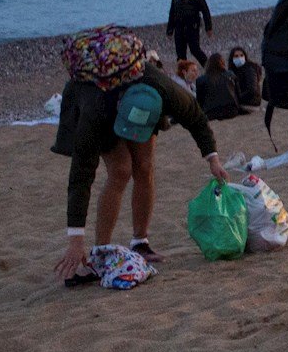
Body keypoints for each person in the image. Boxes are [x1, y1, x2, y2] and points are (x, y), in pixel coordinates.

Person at [52, 26, 228, 279]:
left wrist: (213, 159)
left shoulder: (162, 87)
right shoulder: (95, 110)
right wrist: (75, 240)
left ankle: (140, 242)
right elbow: (80, 176)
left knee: (144, 166)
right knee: (121, 170)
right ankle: (101, 252)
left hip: (138, 99)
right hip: (100, 104)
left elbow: (196, 117)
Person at [166, 0, 212, 64]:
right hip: (179, 28)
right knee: (180, 54)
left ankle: (208, 67)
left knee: (195, 50)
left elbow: (205, 10)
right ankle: (182, 75)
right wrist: (169, 30)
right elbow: (172, 13)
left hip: (192, 27)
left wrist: (208, 27)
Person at [195, 51, 241, 121]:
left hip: (210, 112)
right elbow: (237, 93)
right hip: (231, 110)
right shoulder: (230, 74)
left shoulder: (200, 80)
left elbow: (200, 100)